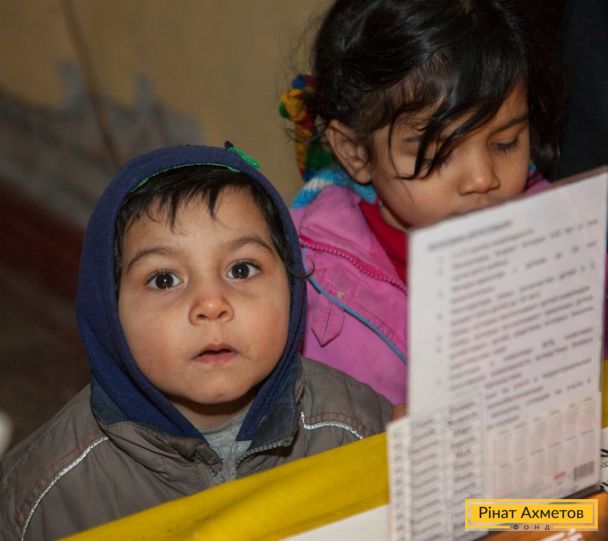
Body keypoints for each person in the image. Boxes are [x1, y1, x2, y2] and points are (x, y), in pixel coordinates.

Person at [0, 144, 392, 541]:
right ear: (109, 312)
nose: (211, 304)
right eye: (164, 280)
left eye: (242, 269)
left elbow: (436, 519)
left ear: (291, 285)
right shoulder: (43, 499)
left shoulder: (356, 430)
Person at [280, 0, 563, 405]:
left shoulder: (561, 232)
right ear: (355, 152)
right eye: (437, 155)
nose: (483, 178)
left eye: (505, 143)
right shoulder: (303, 272)